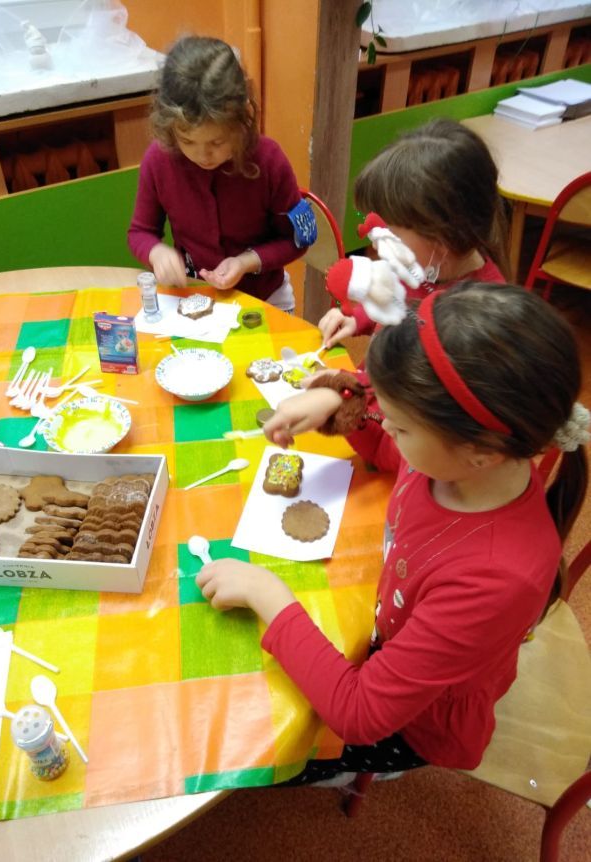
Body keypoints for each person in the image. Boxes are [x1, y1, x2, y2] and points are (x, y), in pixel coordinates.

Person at [196, 283, 589, 784]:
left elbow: (359, 714)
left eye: (400, 426)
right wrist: (339, 409)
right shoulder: (456, 462)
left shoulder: (496, 579)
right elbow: (391, 455)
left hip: (416, 725)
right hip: (392, 627)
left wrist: (266, 594)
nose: (388, 429)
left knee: (248, 742)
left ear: (481, 452)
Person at [127, 35, 313, 313]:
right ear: (169, 127)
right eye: (187, 141)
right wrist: (157, 252)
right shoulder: (159, 159)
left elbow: (297, 240)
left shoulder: (269, 161)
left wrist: (246, 262)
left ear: (241, 121)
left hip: (266, 299)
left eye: (217, 142)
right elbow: (140, 232)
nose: (203, 155)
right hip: (196, 297)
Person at [319, 118, 509, 347]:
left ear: (440, 240)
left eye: (389, 232)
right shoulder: (419, 265)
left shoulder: (480, 323)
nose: (376, 241)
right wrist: (356, 319)